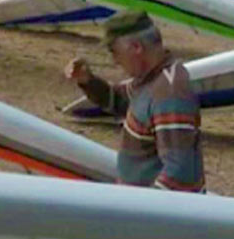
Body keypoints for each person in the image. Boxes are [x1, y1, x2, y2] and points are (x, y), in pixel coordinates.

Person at [65, 10, 202, 191]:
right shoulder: (153, 79)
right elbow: (121, 101)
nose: (115, 60)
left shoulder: (169, 93)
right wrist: (88, 81)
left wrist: (138, 207)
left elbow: (180, 174)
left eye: (114, 51)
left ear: (136, 47)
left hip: (151, 207)